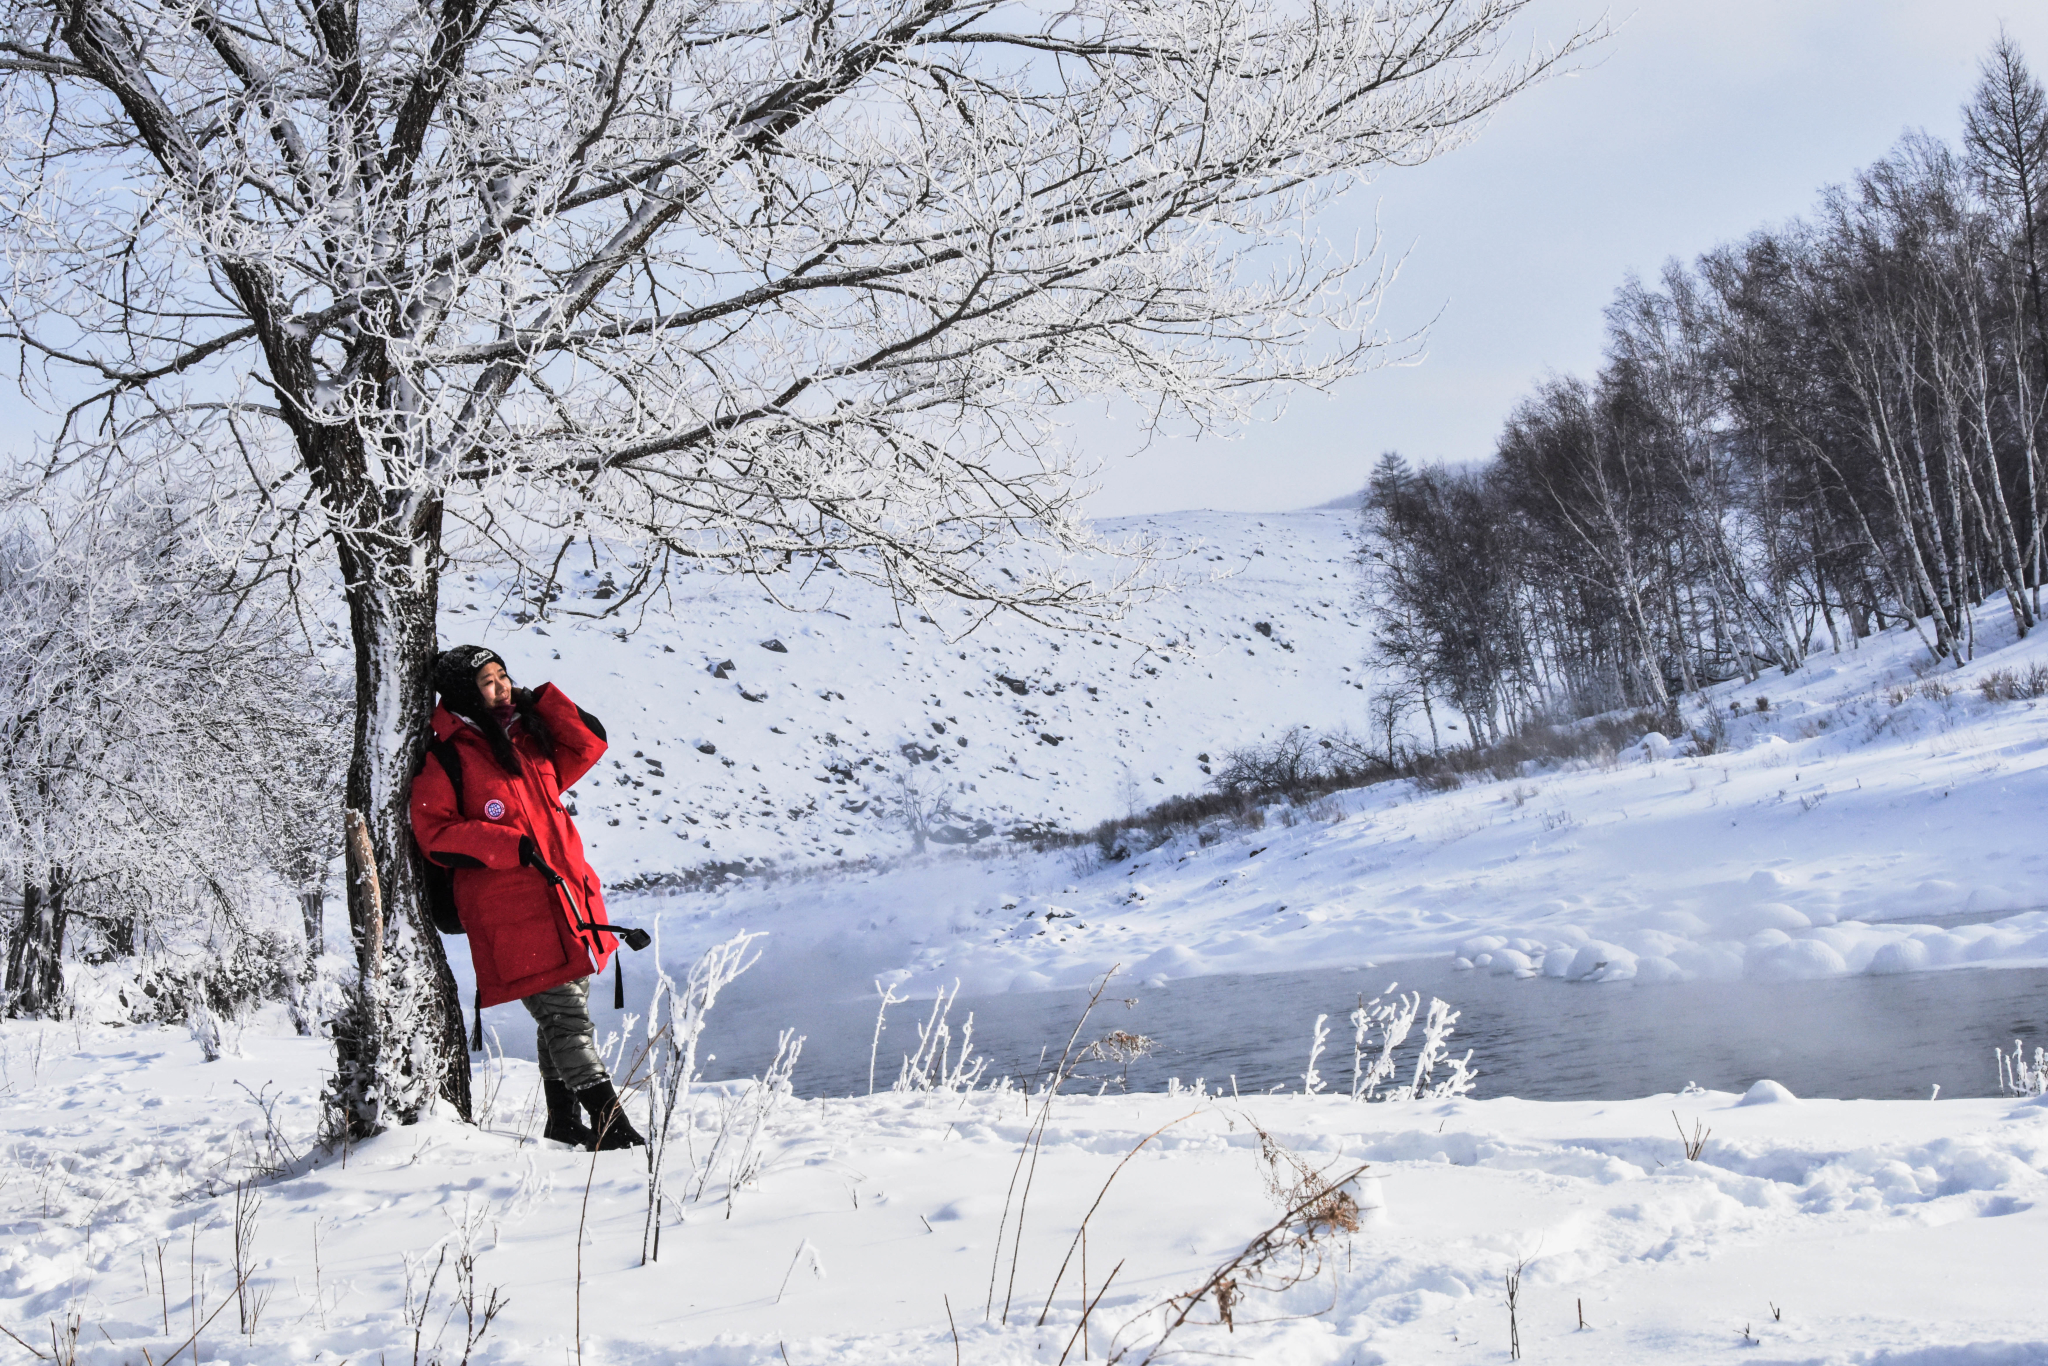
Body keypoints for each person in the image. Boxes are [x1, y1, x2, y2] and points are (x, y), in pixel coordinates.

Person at [409, 645, 645, 1150]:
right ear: (461, 695)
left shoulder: (525, 736)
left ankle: (562, 1123)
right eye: (487, 683)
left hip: (568, 900)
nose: (501, 688)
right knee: (566, 1019)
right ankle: (613, 1127)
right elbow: (435, 832)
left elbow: (587, 745)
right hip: (513, 914)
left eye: (504, 677)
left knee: (563, 1014)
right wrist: (508, 845)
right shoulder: (445, 757)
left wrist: (538, 700)